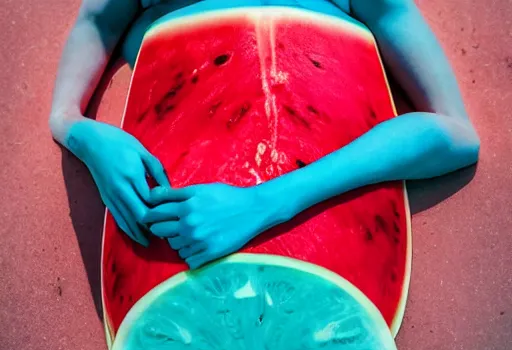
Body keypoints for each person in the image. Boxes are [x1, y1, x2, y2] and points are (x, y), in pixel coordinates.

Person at [50, 0, 480, 269]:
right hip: (176, 231)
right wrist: (80, 130)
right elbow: (96, 22)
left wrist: (265, 203)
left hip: (307, 235)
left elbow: (454, 133)